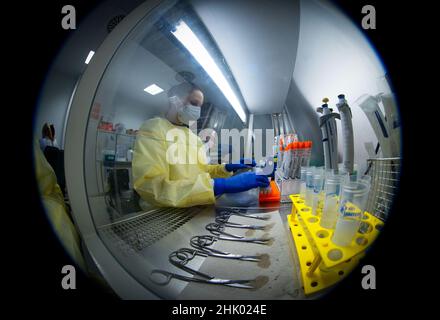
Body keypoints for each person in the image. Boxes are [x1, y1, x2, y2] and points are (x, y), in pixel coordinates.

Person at [132, 84, 269, 209]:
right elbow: (152, 186)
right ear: (175, 100)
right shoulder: (154, 128)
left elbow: (202, 170)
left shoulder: (192, 137)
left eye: (199, 106)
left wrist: (225, 167)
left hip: (193, 207)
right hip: (163, 216)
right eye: (194, 103)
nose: (197, 110)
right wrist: (219, 186)